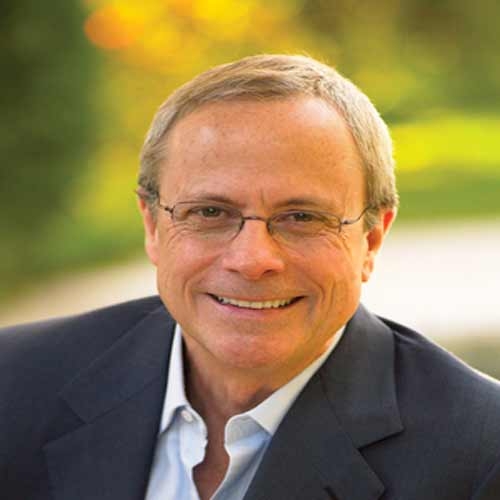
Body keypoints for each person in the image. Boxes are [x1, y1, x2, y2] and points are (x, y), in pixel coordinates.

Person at [1, 54, 500, 500]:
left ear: (371, 239)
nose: (252, 259)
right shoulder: (15, 385)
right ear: (152, 226)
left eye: (301, 217)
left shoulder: (480, 455)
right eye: (210, 212)